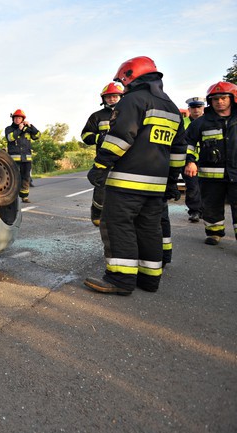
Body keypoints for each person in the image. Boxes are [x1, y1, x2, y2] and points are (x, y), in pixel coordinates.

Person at [83, 56, 186, 295]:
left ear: (130, 77)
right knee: (149, 228)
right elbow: (178, 150)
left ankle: (120, 279)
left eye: (123, 82)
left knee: (118, 225)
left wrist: (100, 166)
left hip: (126, 182)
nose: (123, 87)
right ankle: (149, 279)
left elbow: (121, 137)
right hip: (156, 186)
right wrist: (172, 181)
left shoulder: (133, 100)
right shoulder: (171, 108)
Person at [183, 81, 237, 246]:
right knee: (211, 204)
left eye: (223, 98)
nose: (219, 102)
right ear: (210, 101)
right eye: (215, 99)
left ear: (232, 99)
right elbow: (187, 143)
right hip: (211, 174)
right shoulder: (201, 122)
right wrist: (190, 162)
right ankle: (214, 232)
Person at [81, 82, 124, 226]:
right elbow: (85, 135)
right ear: (103, 99)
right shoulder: (97, 116)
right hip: (104, 159)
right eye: (108, 97)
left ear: (121, 97)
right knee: (101, 188)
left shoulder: (128, 114)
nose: (112, 99)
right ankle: (97, 213)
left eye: (115, 96)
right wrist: (99, 138)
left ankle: (119, 216)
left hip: (125, 159)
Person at [5, 109, 40, 203]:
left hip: (26, 159)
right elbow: (10, 138)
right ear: (13, 119)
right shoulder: (9, 129)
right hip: (14, 159)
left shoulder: (28, 129)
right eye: (16, 118)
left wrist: (31, 126)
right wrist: (19, 130)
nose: (17, 120)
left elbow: (37, 135)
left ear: (22, 119)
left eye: (19, 118)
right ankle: (12, 197)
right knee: (14, 178)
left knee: (26, 178)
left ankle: (24, 197)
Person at [182, 96, 206, 222]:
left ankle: (205, 210)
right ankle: (195, 211)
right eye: (193, 107)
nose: (196, 110)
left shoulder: (209, 122)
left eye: (198, 107)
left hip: (207, 160)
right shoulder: (182, 123)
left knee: (207, 186)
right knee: (192, 186)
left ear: (203, 108)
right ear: (189, 109)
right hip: (188, 159)